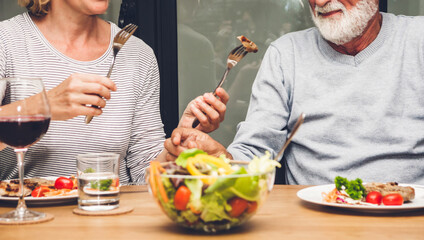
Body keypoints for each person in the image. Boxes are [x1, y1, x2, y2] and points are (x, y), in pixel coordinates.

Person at [165, 0, 424, 185]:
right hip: (314, 219)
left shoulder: (417, 39)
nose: (319, 2)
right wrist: (222, 158)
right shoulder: (286, 54)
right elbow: (258, 150)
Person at [0, 0, 228, 184]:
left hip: (113, 217)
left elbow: (144, 173)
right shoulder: (6, 41)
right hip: (26, 222)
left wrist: (179, 148)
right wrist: (42, 106)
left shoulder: (138, 54)